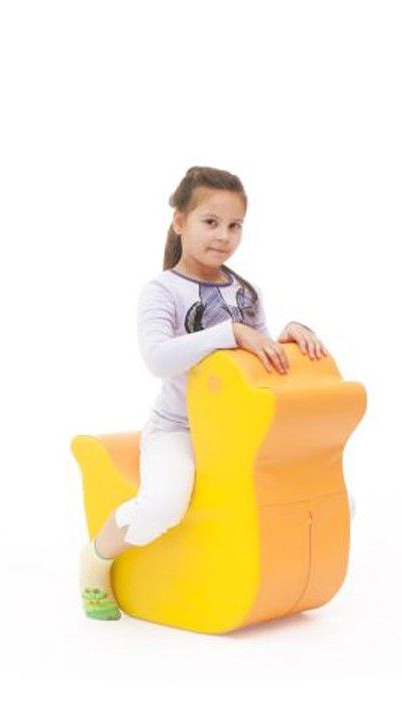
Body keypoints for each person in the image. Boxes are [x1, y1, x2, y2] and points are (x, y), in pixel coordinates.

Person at [80, 166, 329, 621]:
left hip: (238, 430)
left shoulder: (245, 291)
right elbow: (157, 358)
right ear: (180, 221)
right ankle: (96, 560)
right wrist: (227, 331)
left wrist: (287, 337)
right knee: (162, 504)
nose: (224, 236)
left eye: (235, 225)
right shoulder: (162, 290)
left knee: (323, 497)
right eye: (210, 222)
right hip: (179, 429)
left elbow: (257, 362)